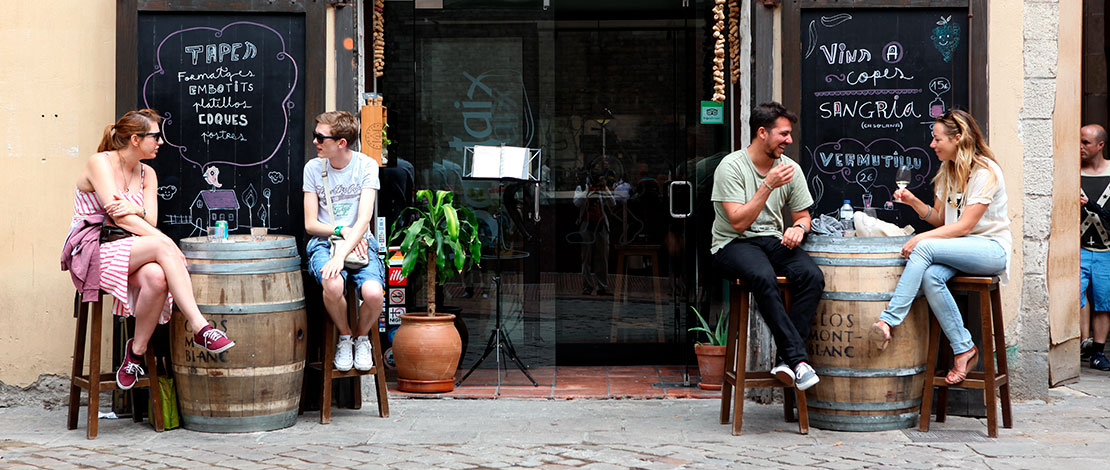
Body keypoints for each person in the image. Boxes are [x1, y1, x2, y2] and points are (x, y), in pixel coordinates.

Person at [63, 109, 235, 391]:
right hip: (94, 248)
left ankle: (135, 353)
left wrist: (136, 208)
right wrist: (161, 240)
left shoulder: (147, 173)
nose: (161, 142)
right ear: (134, 139)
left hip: (131, 247)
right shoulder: (100, 163)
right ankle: (201, 327)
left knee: (157, 277)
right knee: (161, 245)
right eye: (155, 136)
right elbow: (119, 218)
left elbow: (148, 220)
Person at [869, 109, 1012, 385]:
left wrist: (921, 239)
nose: (932, 145)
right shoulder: (946, 171)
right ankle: (964, 348)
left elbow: (964, 226)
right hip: (961, 248)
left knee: (923, 249)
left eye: (937, 139)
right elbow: (939, 219)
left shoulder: (985, 172)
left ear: (957, 138)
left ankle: (887, 321)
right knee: (931, 276)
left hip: (991, 250)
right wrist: (912, 201)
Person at [710, 102, 824, 391]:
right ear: (762, 133)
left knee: (811, 276)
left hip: (771, 241)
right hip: (732, 243)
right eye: (783, 134)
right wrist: (767, 186)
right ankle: (799, 361)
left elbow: (803, 216)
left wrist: (798, 229)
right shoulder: (732, 166)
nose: (789, 140)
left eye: (790, 134)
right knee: (762, 276)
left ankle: (787, 361)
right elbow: (737, 222)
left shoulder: (790, 169)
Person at [302, 111, 386, 372]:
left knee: (373, 294)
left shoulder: (366, 166)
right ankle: (345, 336)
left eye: (321, 137)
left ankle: (362, 338)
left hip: (361, 241)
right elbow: (310, 224)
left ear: (341, 142)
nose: (315, 141)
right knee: (333, 283)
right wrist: (341, 230)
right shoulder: (313, 168)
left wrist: (343, 253)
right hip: (325, 242)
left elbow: (364, 219)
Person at [1079, 124, 1110, 370]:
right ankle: (1083, 343)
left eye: (1085, 143)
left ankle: (1097, 352)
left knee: (1103, 301)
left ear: (1100, 145)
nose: (1080, 147)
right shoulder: (1073, 172)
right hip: (1076, 248)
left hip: (1105, 251)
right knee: (1076, 294)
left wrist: (1092, 206)